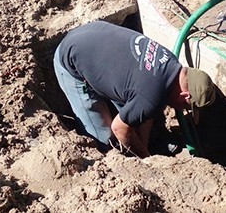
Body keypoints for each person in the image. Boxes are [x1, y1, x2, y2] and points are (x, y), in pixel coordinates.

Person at [53, 21, 217, 158]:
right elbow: (120, 128)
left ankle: (150, 143)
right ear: (185, 95)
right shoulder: (151, 96)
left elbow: (147, 111)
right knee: (105, 140)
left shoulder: (171, 64)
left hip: (93, 35)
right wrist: (146, 160)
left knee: (141, 119)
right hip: (70, 59)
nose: (182, 110)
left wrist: (143, 145)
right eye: (187, 107)